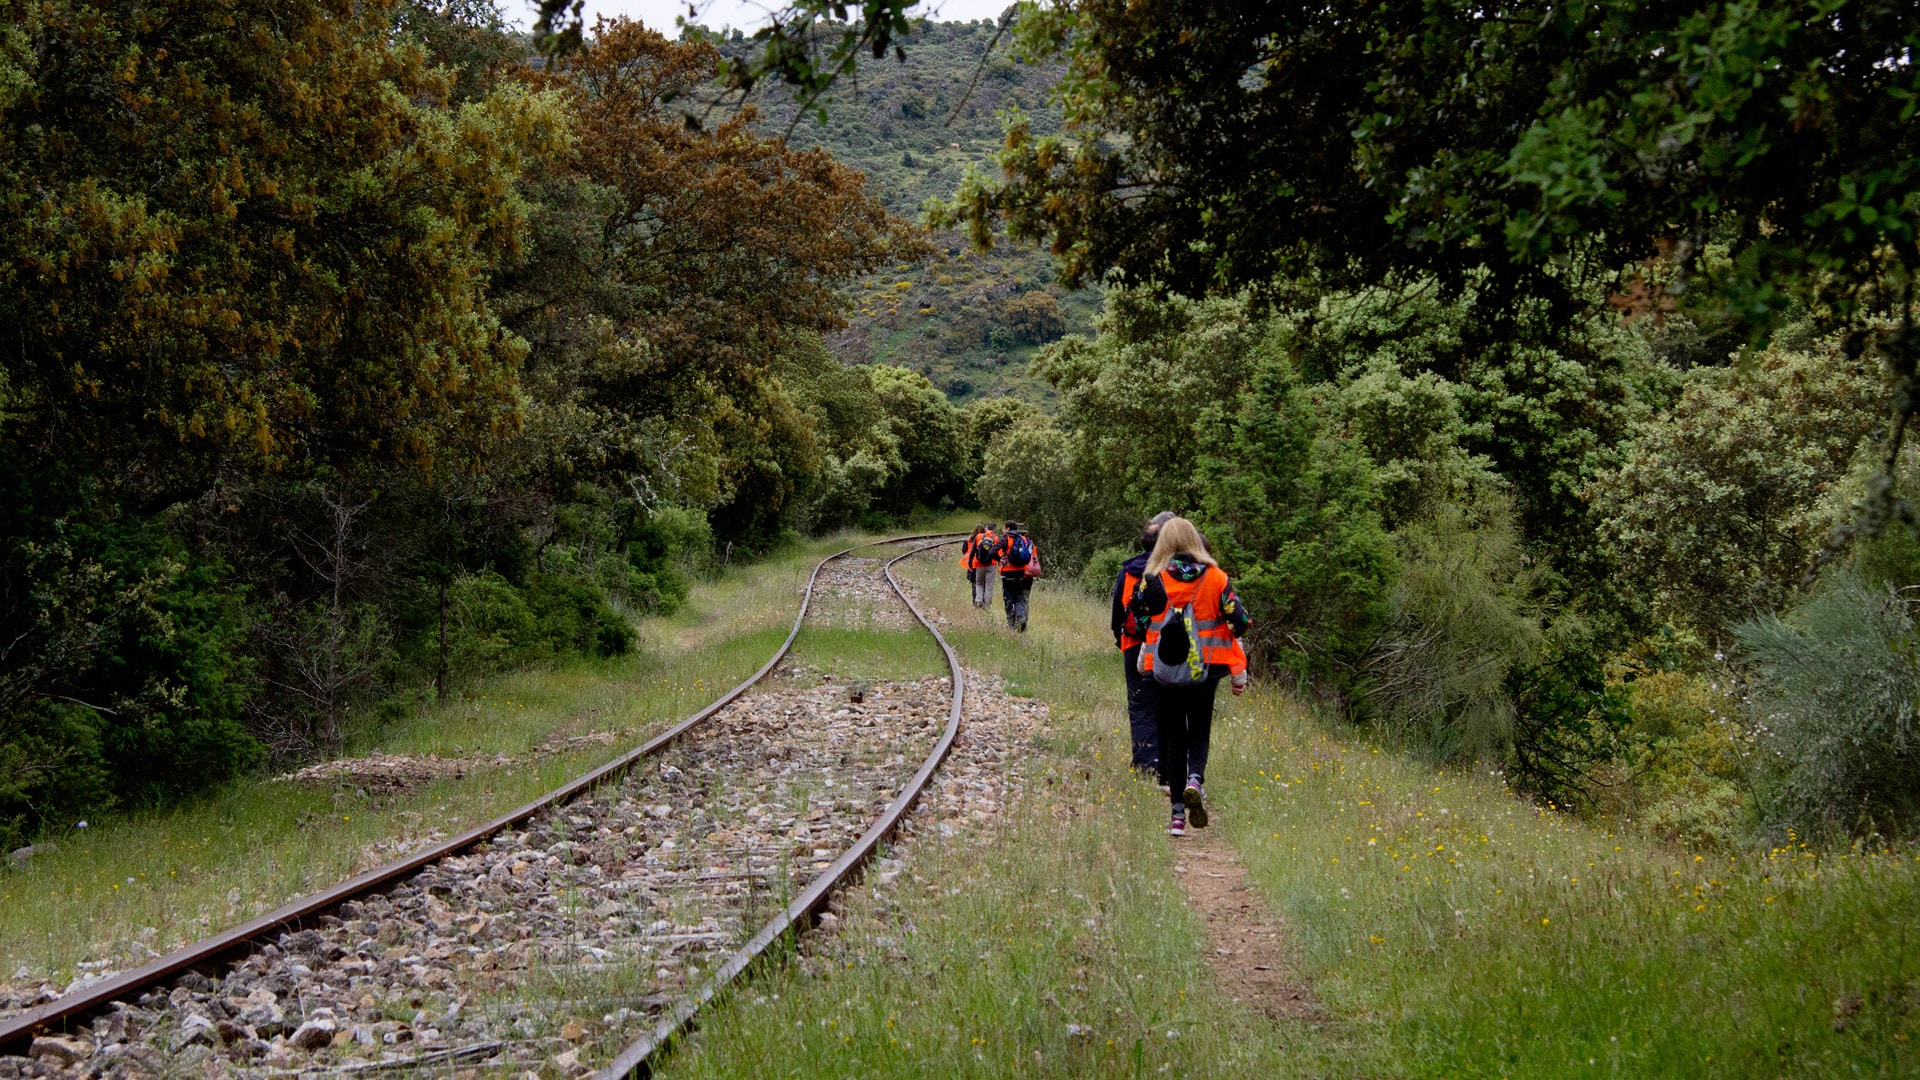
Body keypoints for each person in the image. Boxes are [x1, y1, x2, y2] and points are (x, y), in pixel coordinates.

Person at [1128, 516, 1249, 836]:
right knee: (1198, 733)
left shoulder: (1152, 578)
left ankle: (1177, 817)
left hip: (1164, 671)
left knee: (1173, 739)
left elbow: (1136, 624)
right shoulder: (1216, 578)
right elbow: (1240, 621)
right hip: (1205, 670)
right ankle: (1195, 779)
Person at [1112, 511, 1176, 777]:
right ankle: (1167, 764)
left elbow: (1118, 613)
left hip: (1135, 644)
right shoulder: (1177, 571)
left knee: (1140, 706)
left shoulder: (1129, 571)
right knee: (1169, 705)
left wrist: (1122, 640)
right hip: (1172, 648)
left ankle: (1144, 764)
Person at [995, 521, 1041, 632]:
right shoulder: (1029, 542)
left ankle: (1014, 623)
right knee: (1024, 599)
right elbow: (1033, 557)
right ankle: (1023, 621)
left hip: (1015, 573)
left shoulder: (1009, 540)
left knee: (1012, 598)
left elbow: (1001, 554)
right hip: (1028, 574)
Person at [958, 523, 999, 609]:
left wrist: (970, 563)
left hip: (978, 564)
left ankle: (978, 600)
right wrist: (1000, 561)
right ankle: (987, 606)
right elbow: (998, 552)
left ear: (987, 528)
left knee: (979, 584)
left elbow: (972, 551)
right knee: (988, 586)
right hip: (991, 565)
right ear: (994, 529)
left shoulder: (979, 537)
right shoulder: (996, 538)